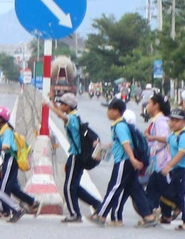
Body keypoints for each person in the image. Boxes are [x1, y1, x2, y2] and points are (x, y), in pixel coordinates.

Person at [98, 98, 152, 224]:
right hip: (128, 161)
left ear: (116, 112)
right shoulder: (121, 125)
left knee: (114, 187)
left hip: (124, 161)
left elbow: (125, 144)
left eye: (109, 110)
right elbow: (117, 144)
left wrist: (132, 159)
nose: (107, 112)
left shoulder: (120, 126)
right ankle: (148, 216)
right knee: (135, 189)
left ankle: (100, 215)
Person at [52, 92, 103, 222]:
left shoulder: (72, 119)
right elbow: (61, 115)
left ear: (69, 106)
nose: (60, 105)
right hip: (77, 156)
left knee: (69, 186)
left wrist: (48, 105)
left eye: (62, 104)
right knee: (74, 186)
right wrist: (53, 102)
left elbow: (60, 116)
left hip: (76, 155)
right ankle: (97, 204)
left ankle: (74, 214)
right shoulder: (73, 116)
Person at [158, 109, 185, 230]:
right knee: (178, 194)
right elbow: (166, 140)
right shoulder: (174, 135)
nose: (172, 123)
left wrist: (168, 166)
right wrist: (151, 137)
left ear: (184, 122)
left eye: (176, 121)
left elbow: (181, 154)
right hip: (179, 169)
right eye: (171, 120)